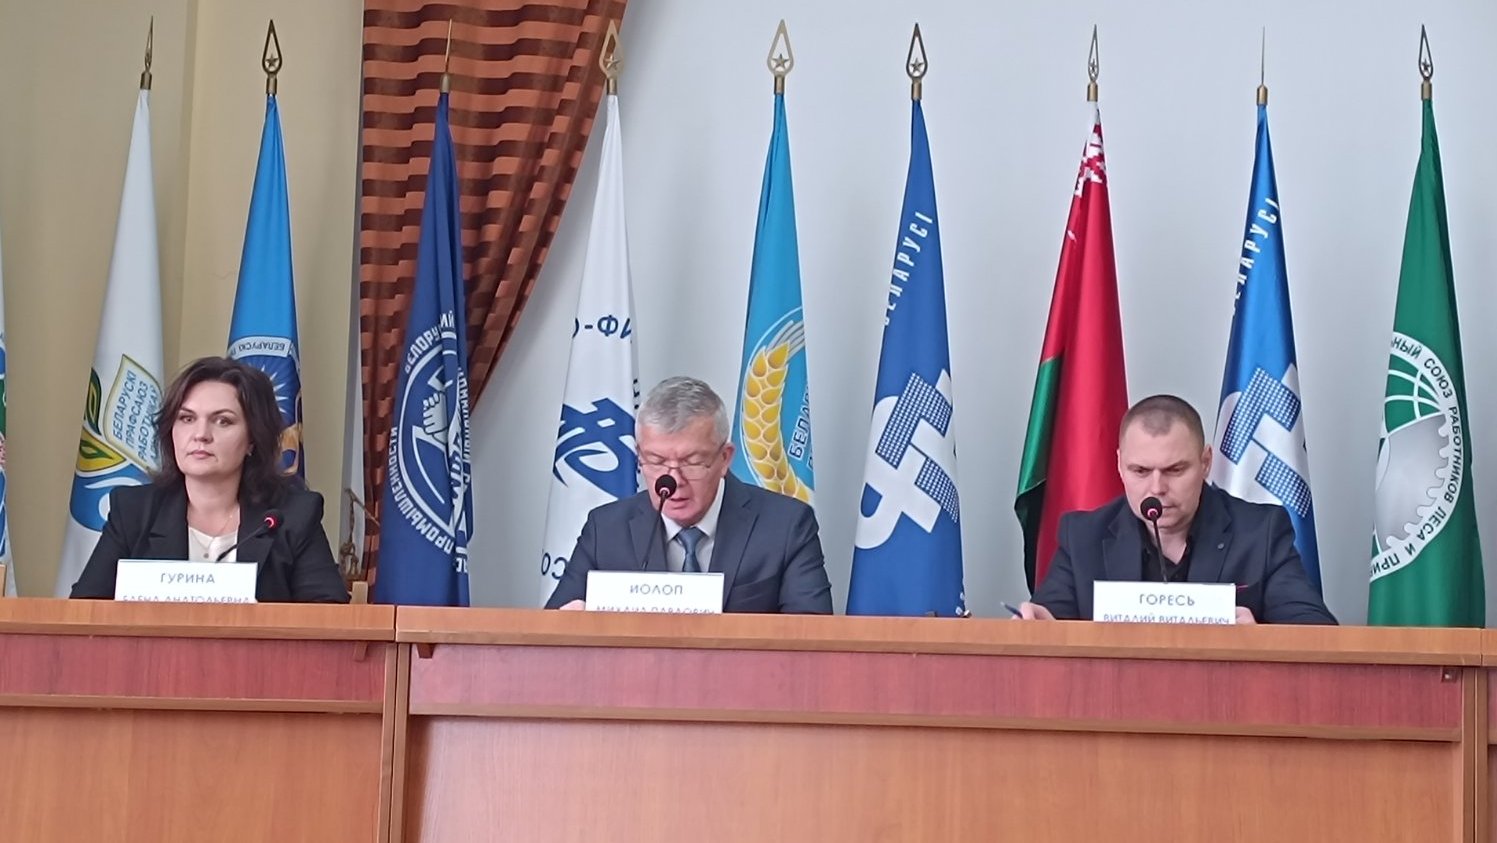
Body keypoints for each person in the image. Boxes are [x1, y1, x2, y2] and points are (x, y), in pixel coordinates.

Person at [1019, 394, 1335, 625]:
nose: (1156, 488)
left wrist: (1256, 640)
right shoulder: (1083, 536)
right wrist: (1038, 624)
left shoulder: (1259, 533)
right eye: (1141, 471)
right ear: (1119, 465)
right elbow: (1047, 619)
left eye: (1175, 470)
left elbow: (1315, 630)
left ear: (1205, 462)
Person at [71, 356, 349, 603]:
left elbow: (327, 615)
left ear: (253, 438)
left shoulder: (292, 516)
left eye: (223, 421)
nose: (201, 434)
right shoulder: (134, 512)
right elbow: (86, 609)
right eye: (186, 418)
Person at [546, 376, 833, 613]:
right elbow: (552, 630)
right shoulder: (606, 530)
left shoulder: (786, 526)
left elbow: (813, 638)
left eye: (692, 462)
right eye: (656, 461)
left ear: (725, 458)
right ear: (639, 456)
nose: (673, 481)